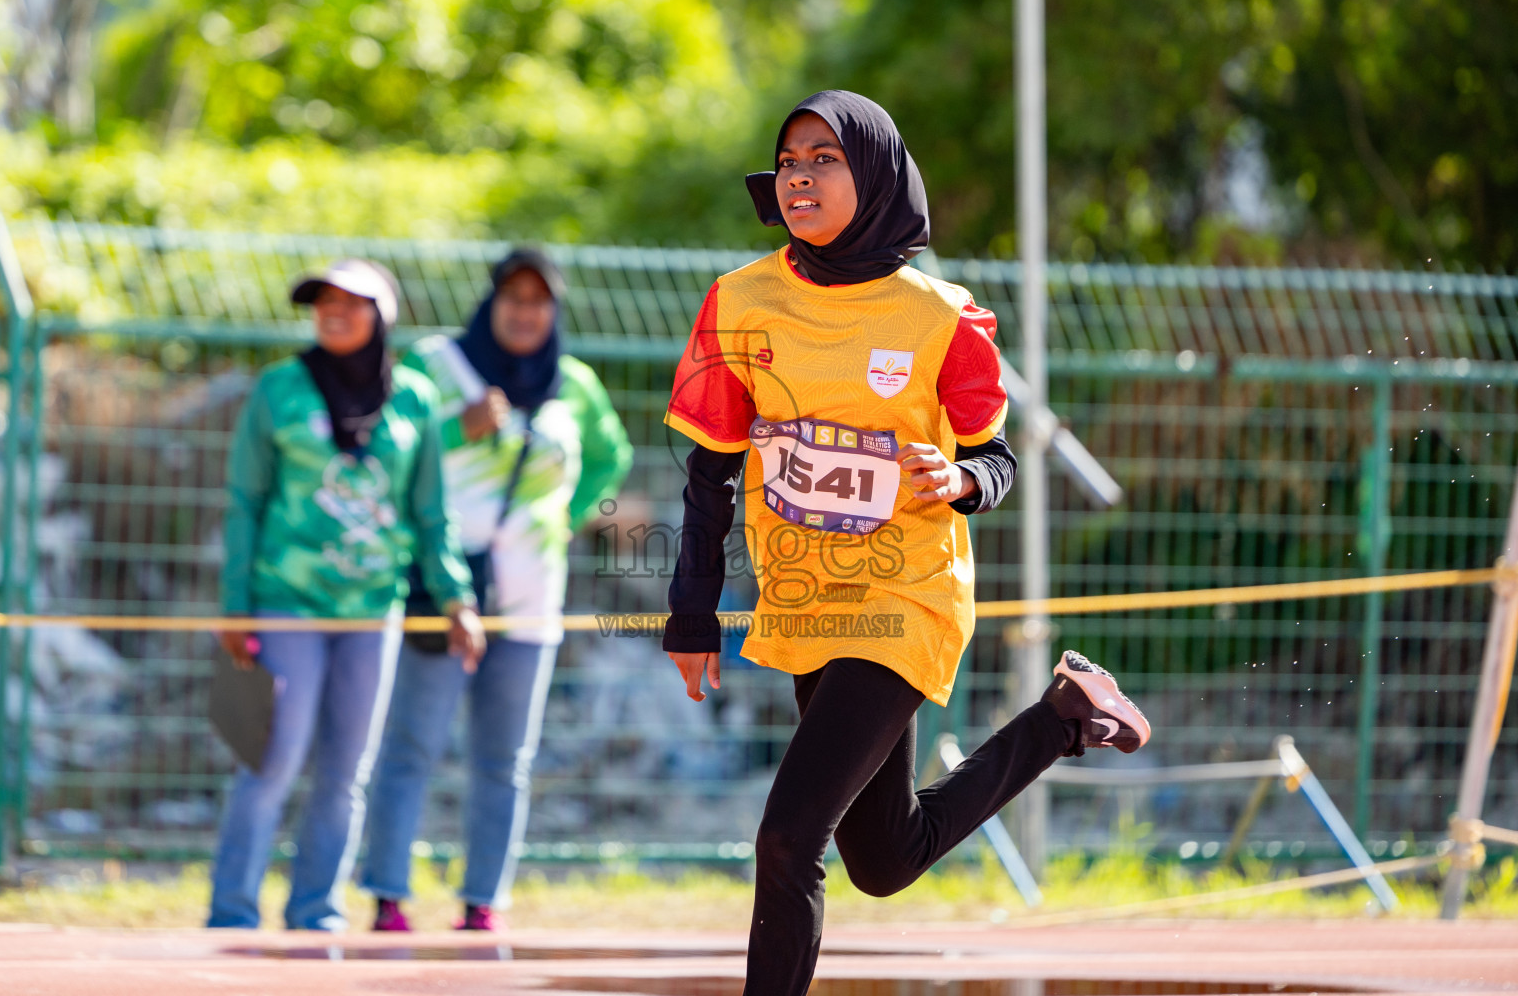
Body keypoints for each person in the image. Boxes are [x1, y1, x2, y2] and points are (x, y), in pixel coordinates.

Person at [659, 91, 1152, 995]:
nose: (800, 175)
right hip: (804, 599)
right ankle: (1065, 717)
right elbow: (711, 474)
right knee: (885, 859)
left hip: (906, 595)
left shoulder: (941, 316)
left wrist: (963, 479)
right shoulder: (736, 302)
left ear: (876, 173)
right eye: (790, 160)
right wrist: (691, 614)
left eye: (825, 159)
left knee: (788, 835)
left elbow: (995, 456)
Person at [209, 258, 486, 931]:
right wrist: (234, 603)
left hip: (373, 612)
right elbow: (245, 500)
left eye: (353, 302)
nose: (335, 311)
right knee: (271, 760)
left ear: (382, 315)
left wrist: (457, 598)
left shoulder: (415, 396)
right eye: (323, 300)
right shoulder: (278, 389)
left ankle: (316, 912)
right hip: (288, 604)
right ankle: (232, 915)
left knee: (345, 772)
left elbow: (430, 513)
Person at [362, 248, 633, 932]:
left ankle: (483, 902)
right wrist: (462, 428)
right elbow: (387, 451)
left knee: (505, 759)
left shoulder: (573, 383)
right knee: (410, 746)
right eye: (512, 298)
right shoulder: (437, 365)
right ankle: (388, 896)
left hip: (532, 596)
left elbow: (610, 456)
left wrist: (565, 519)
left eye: (539, 301)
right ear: (491, 303)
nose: (525, 312)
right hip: (444, 589)